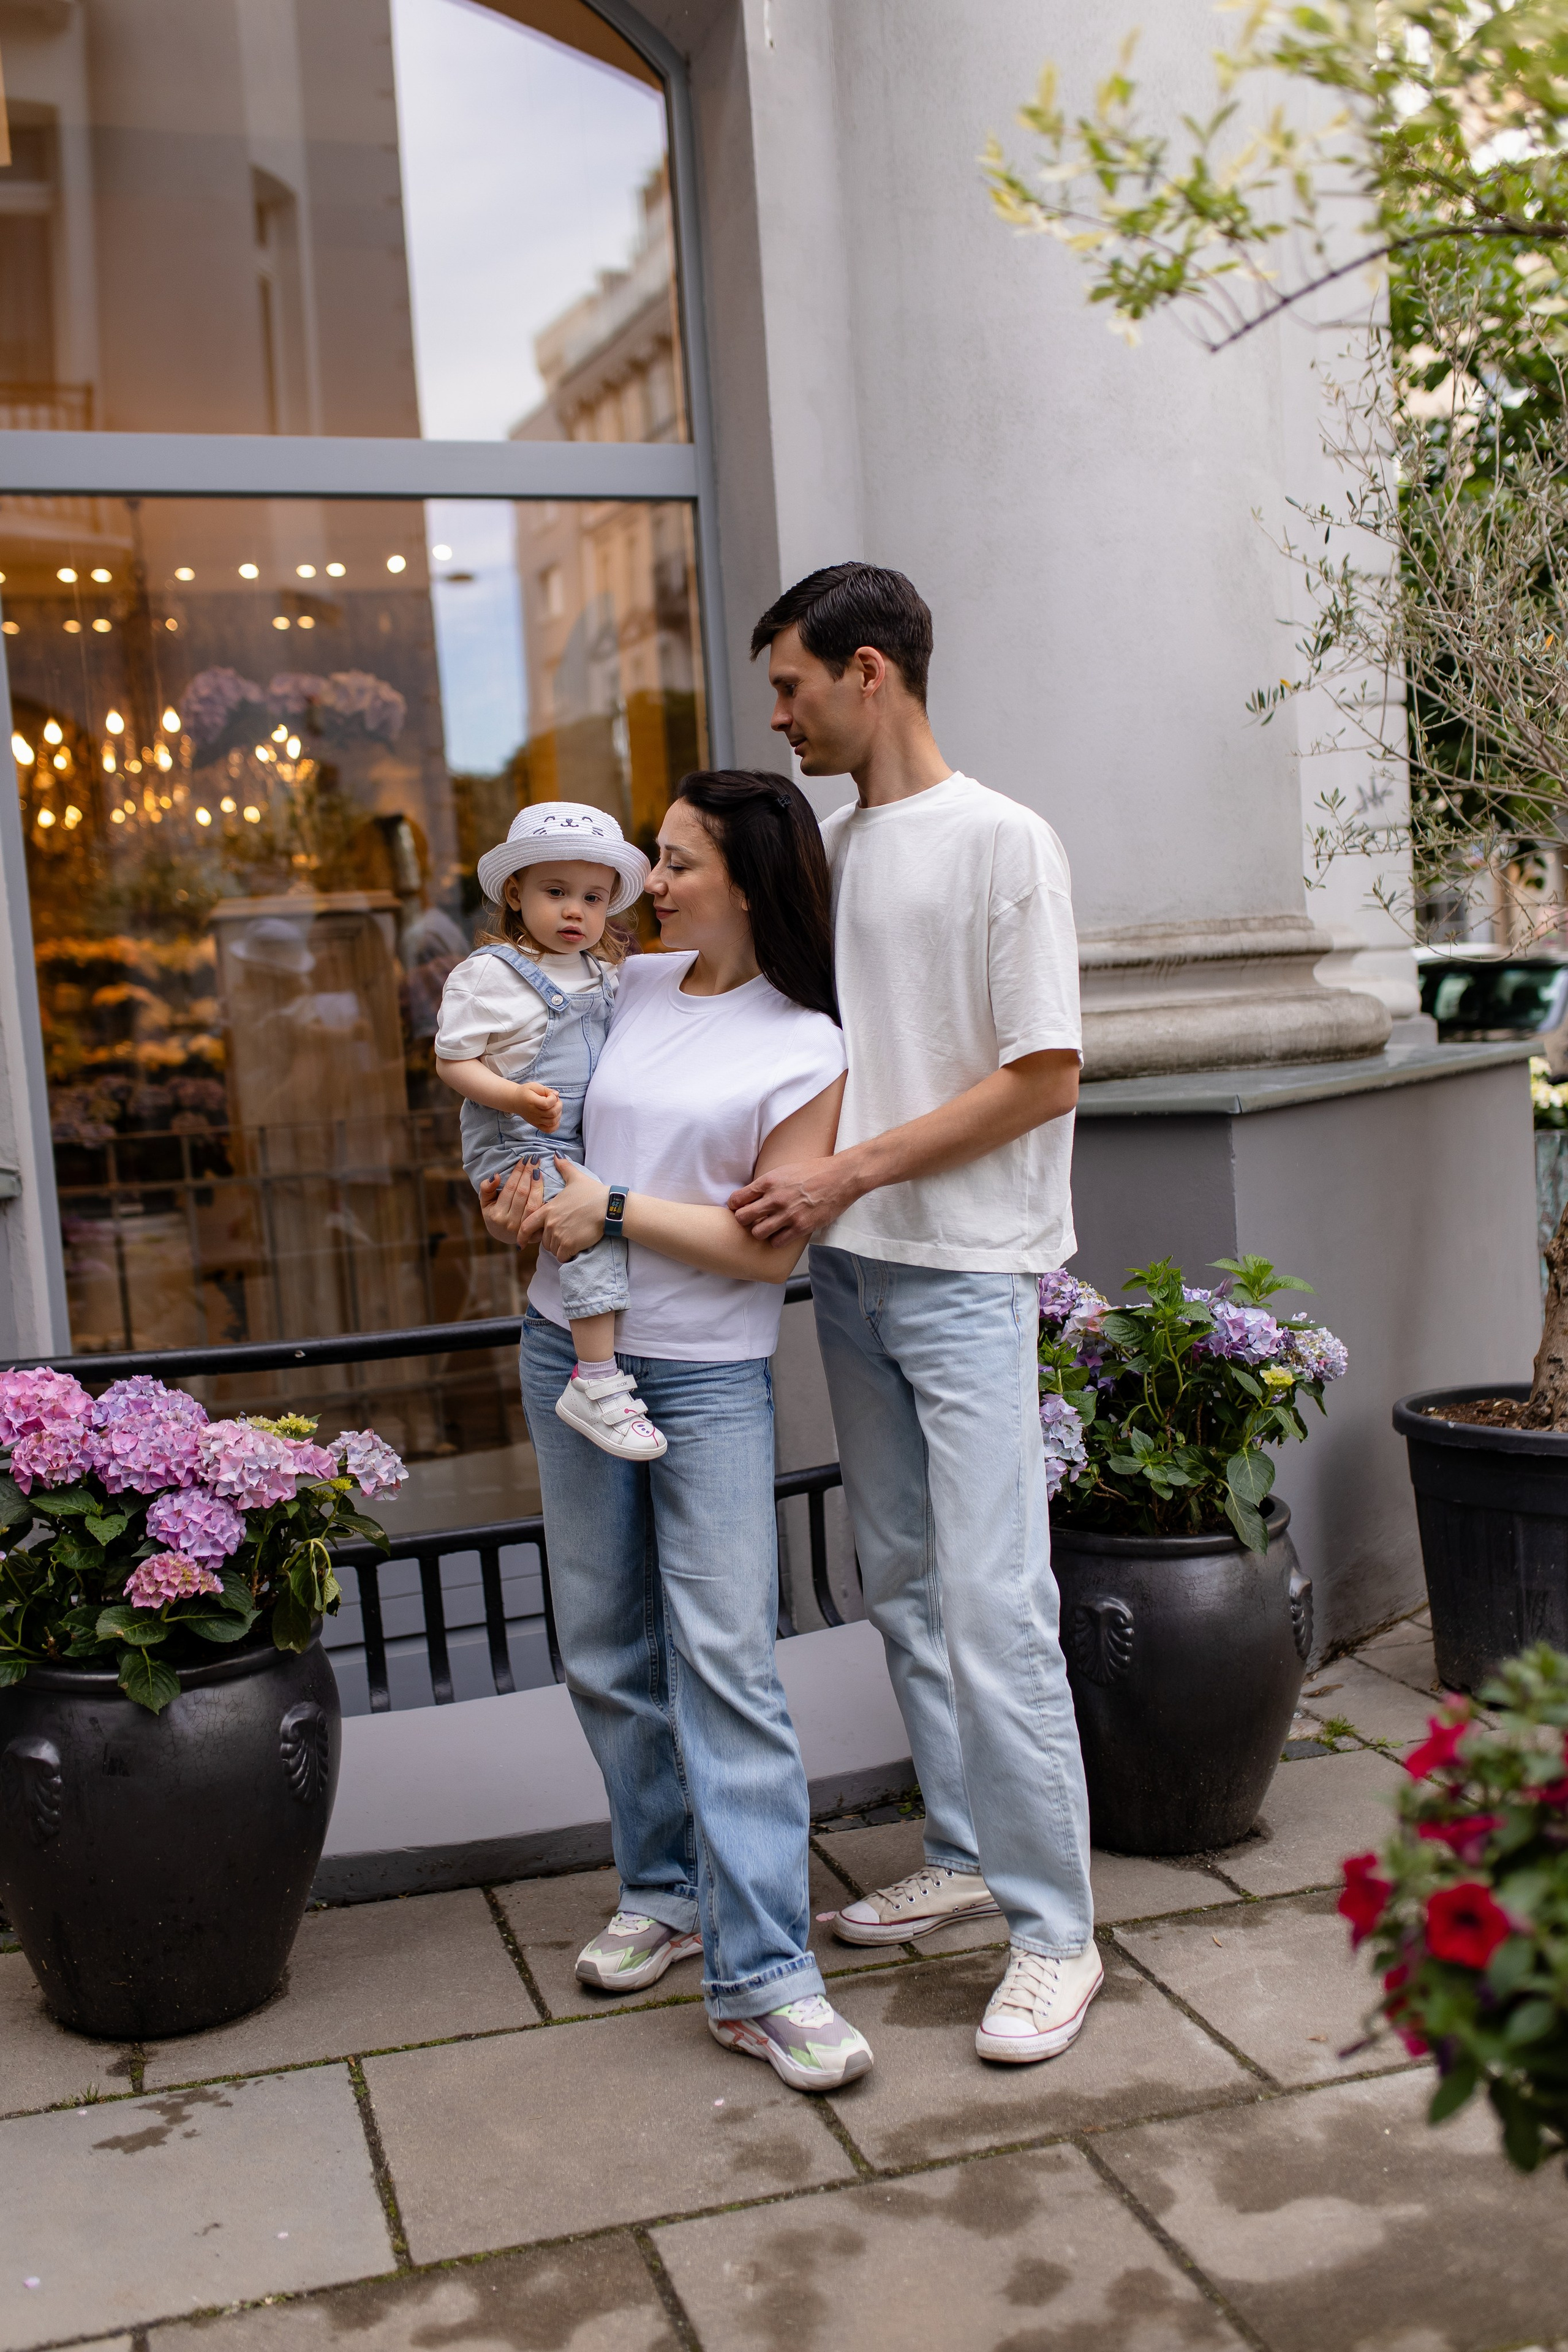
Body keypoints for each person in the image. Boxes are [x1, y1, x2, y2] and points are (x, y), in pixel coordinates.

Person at [732, 563, 1100, 2067]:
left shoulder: (1004, 840)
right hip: (857, 1266)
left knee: (996, 1600)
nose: (779, 716)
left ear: (867, 671)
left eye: (792, 686)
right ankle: (959, 1847)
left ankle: (1056, 1934)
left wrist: (849, 1171)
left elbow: (1042, 1072)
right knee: (898, 1574)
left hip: (962, 1268)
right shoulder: (829, 845)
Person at [481, 771, 875, 2094]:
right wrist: (523, 1204)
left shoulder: (805, 1041)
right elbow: (528, 1132)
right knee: (602, 1644)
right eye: (652, 860)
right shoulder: (623, 988)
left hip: (703, 1380)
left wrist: (615, 1207)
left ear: (751, 880)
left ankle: (766, 1978)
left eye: (676, 863)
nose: (648, 887)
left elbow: (765, 1254)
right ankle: (661, 1889)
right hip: (563, 1351)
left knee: (726, 1666)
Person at [435, 802, 667, 1462]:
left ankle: (599, 1367)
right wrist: (512, 1094)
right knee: (588, 1234)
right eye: (556, 892)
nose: (576, 912)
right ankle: (594, 1381)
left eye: (593, 898)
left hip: (571, 1143)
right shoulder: (491, 974)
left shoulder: (605, 975)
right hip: (517, 1139)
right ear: (516, 893)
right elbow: (452, 1060)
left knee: (593, 1223)